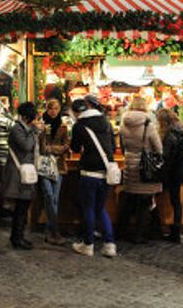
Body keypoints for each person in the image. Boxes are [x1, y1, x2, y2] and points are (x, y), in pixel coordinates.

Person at [69, 98, 117, 257]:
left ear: (76, 112)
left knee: (88, 208)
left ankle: (88, 245)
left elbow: (74, 147)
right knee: (100, 208)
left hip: (89, 172)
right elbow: (114, 146)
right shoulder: (105, 121)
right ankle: (110, 244)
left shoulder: (79, 126)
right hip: (107, 172)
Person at [117, 96, 163, 244]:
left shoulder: (123, 123)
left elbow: (122, 145)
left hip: (129, 163)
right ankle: (139, 234)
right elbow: (158, 148)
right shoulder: (148, 125)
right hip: (145, 167)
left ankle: (122, 231)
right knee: (144, 202)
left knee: (130, 199)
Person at [2, 102, 39, 250]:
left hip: (25, 171)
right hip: (18, 173)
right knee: (21, 207)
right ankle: (17, 239)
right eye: (33, 118)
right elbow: (26, 146)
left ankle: (18, 236)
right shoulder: (17, 129)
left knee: (23, 206)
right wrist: (34, 131)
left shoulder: (25, 128)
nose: (35, 121)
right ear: (26, 117)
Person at [39, 98, 71, 246]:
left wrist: (52, 149)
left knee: (55, 199)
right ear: (47, 109)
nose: (53, 111)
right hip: (44, 165)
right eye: (51, 108)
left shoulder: (63, 126)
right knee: (49, 196)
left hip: (58, 165)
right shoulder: (41, 125)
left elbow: (66, 145)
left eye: (56, 108)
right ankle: (55, 232)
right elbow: (39, 146)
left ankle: (48, 231)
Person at [156, 108, 183, 243]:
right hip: (179, 171)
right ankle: (176, 230)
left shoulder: (169, 135)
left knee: (154, 198)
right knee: (176, 201)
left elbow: (164, 155)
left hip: (168, 172)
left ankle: (156, 227)